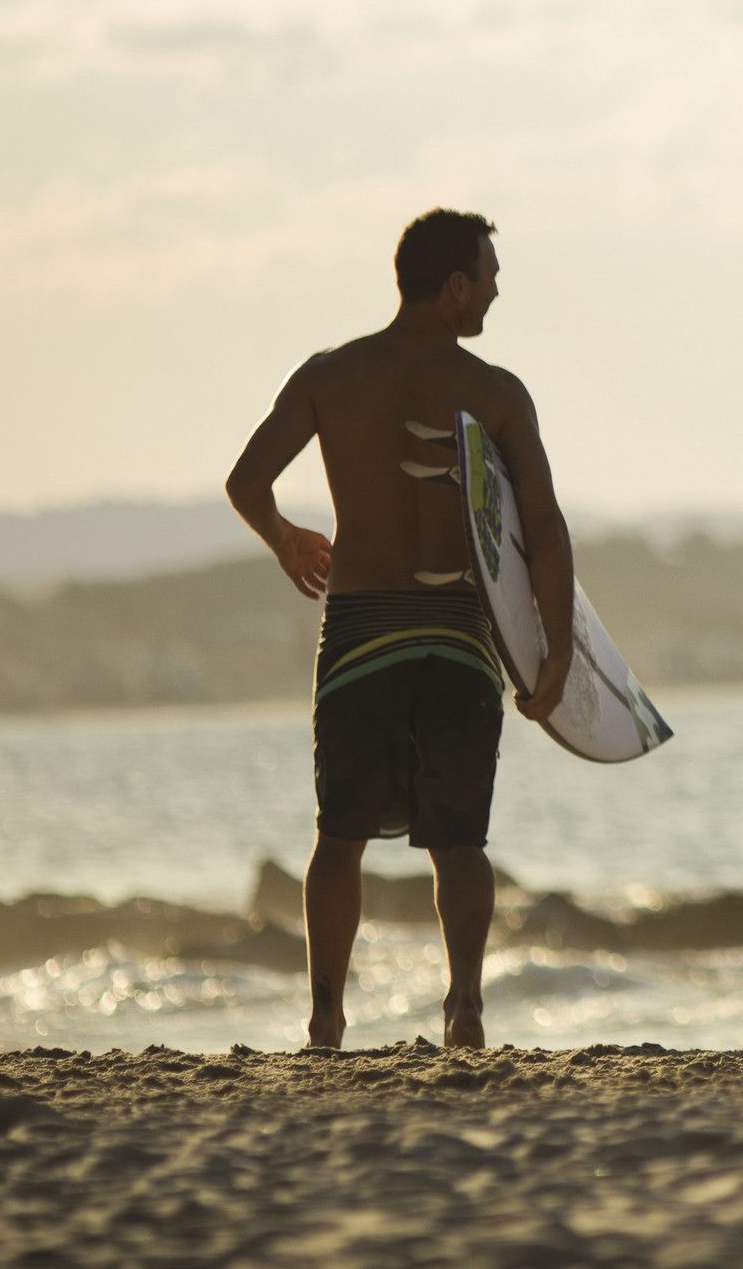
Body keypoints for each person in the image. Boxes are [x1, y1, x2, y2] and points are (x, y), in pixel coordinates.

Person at [224, 209, 572, 1050]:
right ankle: (466, 1010)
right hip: (458, 629)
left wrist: (284, 539)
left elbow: (247, 480)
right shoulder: (495, 392)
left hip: (360, 627)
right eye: (488, 273)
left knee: (338, 836)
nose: (496, 287)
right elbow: (544, 525)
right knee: (460, 840)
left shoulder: (331, 376)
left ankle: (325, 1020)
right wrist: (554, 652)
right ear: (454, 285)